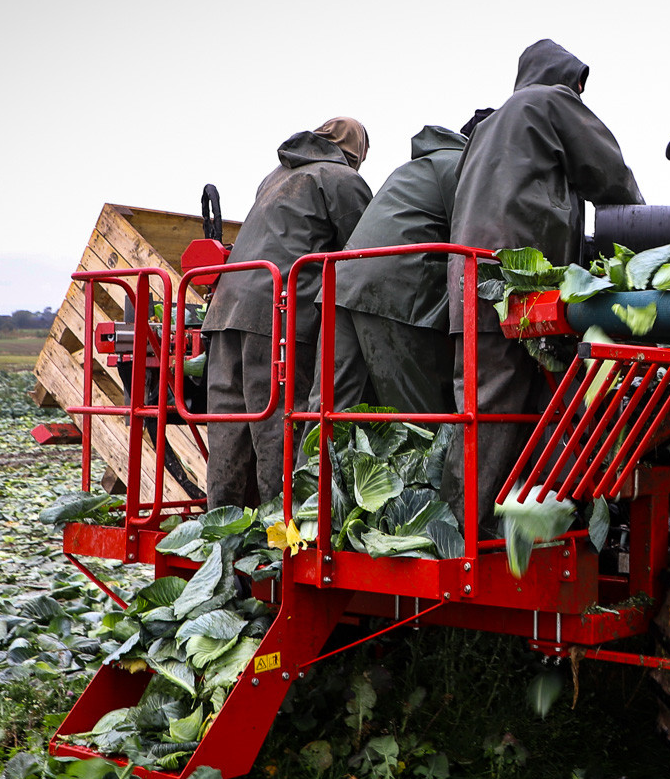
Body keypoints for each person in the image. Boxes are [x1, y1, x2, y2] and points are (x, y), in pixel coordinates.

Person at [447, 41, 642, 528]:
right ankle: (469, 539)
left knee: (486, 412)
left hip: (471, 283)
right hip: (515, 285)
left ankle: (489, 531)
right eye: (579, 85)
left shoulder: (491, 124)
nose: (579, 95)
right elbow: (611, 176)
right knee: (499, 417)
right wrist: (648, 236)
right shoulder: (549, 102)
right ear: (568, 78)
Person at [202, 117, 372, 509]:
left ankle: (221, 525)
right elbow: (367, 250)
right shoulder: (340, 178)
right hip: (275, 312)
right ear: (356, 151)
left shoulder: (277, 175)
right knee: (279, 425)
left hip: (225, 310)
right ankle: (284, 533)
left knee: (228, 427)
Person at [320, 110, 493, 415]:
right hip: (391, 293)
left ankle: (314, 465)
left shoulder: (418, 166)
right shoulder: (463, 168)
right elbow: (482, 242)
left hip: (341, 285)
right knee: (416, 420)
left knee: (328, 412)